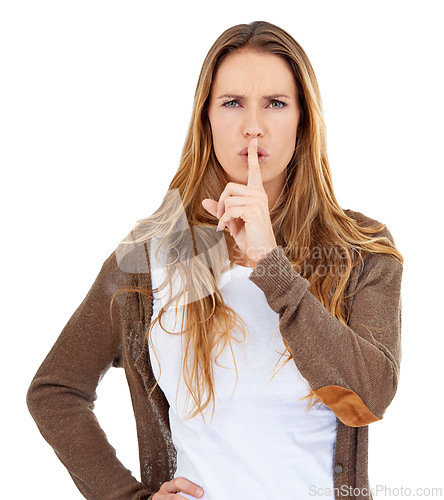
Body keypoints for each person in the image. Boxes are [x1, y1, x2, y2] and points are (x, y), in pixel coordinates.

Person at [27, 20, 404, 500]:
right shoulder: (151, 255)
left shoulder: (361, 251)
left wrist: (272, 265)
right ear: (206, 118)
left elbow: (369, 398)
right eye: (231, 103)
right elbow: (55, 391)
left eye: (275, 103)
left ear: (302, 119)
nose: (253, 125)